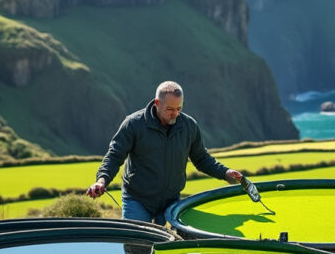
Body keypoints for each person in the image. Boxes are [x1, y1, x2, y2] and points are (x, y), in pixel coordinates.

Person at [87, 81, 242, 225]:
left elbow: (202, 159)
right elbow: (114, 156)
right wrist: (101, 181)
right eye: (169, 109)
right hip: (137, 200)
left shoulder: (189, 126)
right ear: (157, 103)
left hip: (171, 201)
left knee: (171, 247)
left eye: (179, 109)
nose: (175, 114)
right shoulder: (133, 124)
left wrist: (226, 173)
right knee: (137, 247)